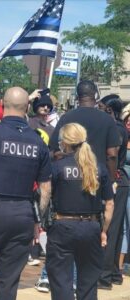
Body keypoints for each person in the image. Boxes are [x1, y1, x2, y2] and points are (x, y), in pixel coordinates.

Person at [0, 87, 51, 300]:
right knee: (8, 284)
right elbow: (45, 188)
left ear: (3, 105)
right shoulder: (38, 141)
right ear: (26, 108)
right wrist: (37, 220)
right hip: (23, 215)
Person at [46, 123, 114, 300]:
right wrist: (104, 231)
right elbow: (109, 204)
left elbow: (46, 194)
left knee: (61, 281)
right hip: (91, 227)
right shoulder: (98, 168)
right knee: (89, 282)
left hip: (63, 226)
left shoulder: (58, 167)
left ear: (66, 143)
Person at [50, 80, 120, 181]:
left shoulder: (66, 118)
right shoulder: (107, 120)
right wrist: (111, 181)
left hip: (70, 178)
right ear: (95, 95)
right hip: (97, 179)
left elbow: (56, 151)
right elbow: (112, 154)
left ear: (78, 97)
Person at [97, 94, 129, 289]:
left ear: (109, 110)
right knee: (116, 231)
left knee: (110, 230)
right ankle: (115, 273)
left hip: (116, 180)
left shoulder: (115, 128)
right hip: (120, 180)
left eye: (101, 107)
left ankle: (105, 275)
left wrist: (110, 180)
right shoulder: (119, 127)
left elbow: (113, 156)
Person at [119, 103, 130, 275]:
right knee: (122, 225)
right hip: (123, 185)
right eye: (128, 120)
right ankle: (119, 265)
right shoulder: (120, 137)